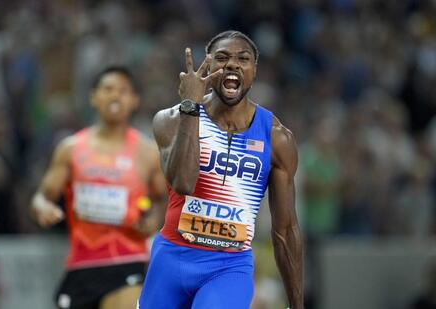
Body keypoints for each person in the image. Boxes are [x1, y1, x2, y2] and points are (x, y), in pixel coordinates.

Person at [139, 30, 303, 308]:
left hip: (229, 266)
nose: (232, 65)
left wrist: (296, 305)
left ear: (254, 70)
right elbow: (183, 183)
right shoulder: (170, 120)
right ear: (208, 67)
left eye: (243, 59)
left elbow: (285, 230)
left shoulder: (277, 138)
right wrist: (191, 107)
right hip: (171, 259)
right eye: (223, 58)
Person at [31, 66, 166, 309]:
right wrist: (43, 209)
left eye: (123, 91)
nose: (115, 96)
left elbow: (160, 200)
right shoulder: (71, 149)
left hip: (128, 260)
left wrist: (152, 220)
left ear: (134, 101)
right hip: (82, 264)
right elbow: (43, 196)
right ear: (94, 97)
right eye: (108, 89)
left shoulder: (147, 154)